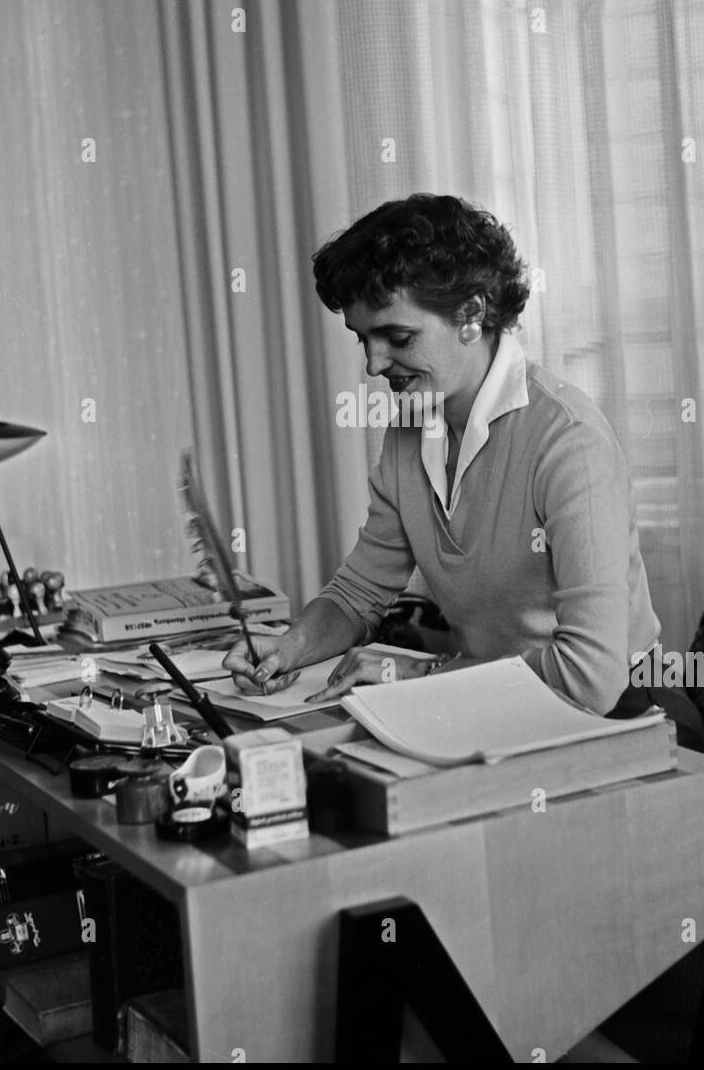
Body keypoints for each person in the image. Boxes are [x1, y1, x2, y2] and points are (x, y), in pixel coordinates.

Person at [223, 193, 661, 716]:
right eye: (363, 339)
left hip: (623, 715)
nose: (374, 363)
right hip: (492, 700)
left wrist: (419, 674)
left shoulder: (567, 441)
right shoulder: (410, 428)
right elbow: (359, 592)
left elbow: (590, 677)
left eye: (398, 337)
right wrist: (288, 648)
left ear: (471, 313)